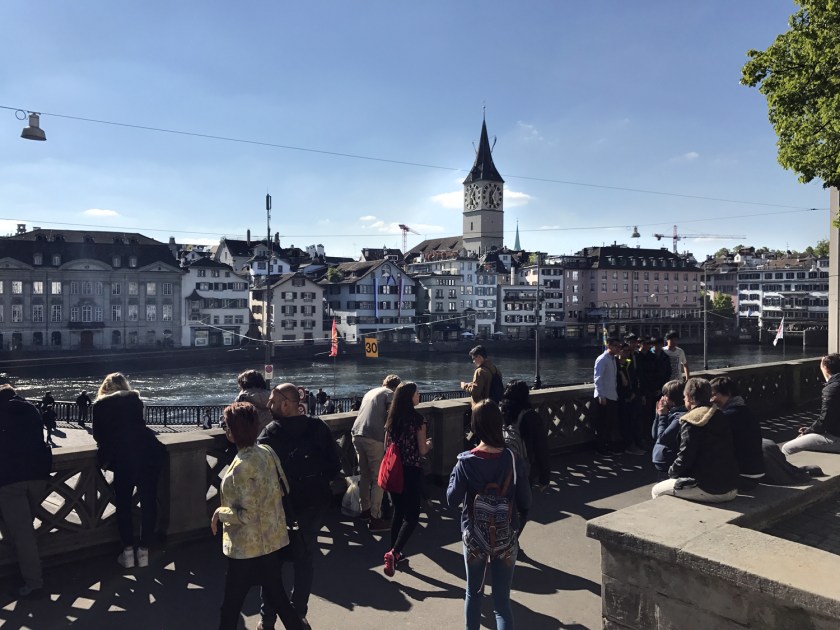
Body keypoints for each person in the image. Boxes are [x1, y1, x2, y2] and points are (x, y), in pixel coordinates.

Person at [211, 402, 303, 630]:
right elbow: (283, 488)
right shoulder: (266, 451)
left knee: (230, 606)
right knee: (280, 599)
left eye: (226, 425)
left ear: (233, 431)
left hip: (247, 547)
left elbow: (247, 515)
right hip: (272, 540)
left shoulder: (242, 466)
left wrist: (219, 513)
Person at [258, 383, 341, 630]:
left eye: (272, 401)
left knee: (272, 562)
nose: (268, 406)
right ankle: (298, 615)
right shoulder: (318, 427)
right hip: (314, 504)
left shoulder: (270, 433)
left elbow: (260, 474)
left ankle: (267, 619)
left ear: (286, 404)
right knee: (304, 559)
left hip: (280, 507)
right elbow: (334, 466)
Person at [446, 400, 532, 630]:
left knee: (473, 594)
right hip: (505, 534)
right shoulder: (513, 459)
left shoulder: (465, 461)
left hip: (474, 535)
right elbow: (526, 501)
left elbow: (452, 500)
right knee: (502, 603)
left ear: (475, 426)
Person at [92, 373, 165, 569]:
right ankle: (144, 551)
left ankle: (127, 553)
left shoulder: (100, 405)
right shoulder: (135, 400)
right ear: (125, 385)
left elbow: (98, 435)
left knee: (123, 505)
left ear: (105, 387)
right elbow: (141, 425)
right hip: (148, 453)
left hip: (123, 459)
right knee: (149, 503)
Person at [0, 385, 52, 598]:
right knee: (24, 528)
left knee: (22, 534)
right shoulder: (31, 409)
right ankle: (24, 571)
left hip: (10, 478)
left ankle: (34, 583)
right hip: (38, 476)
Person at [651, 378, 738, 503]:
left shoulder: (692, 420)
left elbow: (685, 457)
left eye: (685, 396)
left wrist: (671, 473)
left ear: (691, 398)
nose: (684, 399)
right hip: (730, 485)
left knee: (657, 490)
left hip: (709, 487)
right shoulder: (719, 414)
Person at [382, 381, 432, 577]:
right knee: (412, 516)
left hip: (394, 469)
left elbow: (387, 444)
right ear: (410, 397)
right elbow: (421, 450)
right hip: (410, 470)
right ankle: (394, 553)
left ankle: (394, 552)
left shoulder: (392, 418)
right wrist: (430, 444)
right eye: (417, 393)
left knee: (399, 512)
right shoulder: (418, 419)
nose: (419, 396)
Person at [351, 374, 400, 533]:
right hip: (374, 437)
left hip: (357, 434)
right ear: (396, 387)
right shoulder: (390, 394)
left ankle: (364, 510)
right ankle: (375, 518)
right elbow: (391, 416)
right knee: (378, 479)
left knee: (364, 475)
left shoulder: (370, 392)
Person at [710, 377, 765, 490]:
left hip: (741, 476)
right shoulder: (746, 411)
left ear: (728, 394)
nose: (711, 399)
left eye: (714, 394)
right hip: (755, 473)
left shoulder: (727, 417)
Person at [782, 353, 840, 456]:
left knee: (787, 448)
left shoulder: (832, 389)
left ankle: (792, 472)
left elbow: (825, 420)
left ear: (825, 368)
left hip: (836, 437)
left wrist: (808, 431)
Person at [500, 380, 551, 490]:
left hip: (500, 466)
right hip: (524, 469)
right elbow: (541, 449)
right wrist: (544, 478)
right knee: (523, 502)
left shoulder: (500, 413)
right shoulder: (531, 417)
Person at [651, 380, 687, 478]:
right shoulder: (669, 413)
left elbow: (663, 439)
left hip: (669, 463)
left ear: (673, 398)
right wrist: (658, 415)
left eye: (665, 395)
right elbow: (655, 435)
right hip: (661, 464)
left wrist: (662, 416)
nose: (663, 398)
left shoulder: (679, 417)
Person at [593, 338, 621, 454]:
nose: (618, 348)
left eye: (618, 346)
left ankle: (607, 445)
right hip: (604, 397)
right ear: (608, 345)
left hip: (612, 395)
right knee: (603, 424)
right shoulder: (602, 359)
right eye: (615, 346)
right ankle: (600, 448)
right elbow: (597, 379)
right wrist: (601, 395)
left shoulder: (613, 359)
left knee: (610, 424)